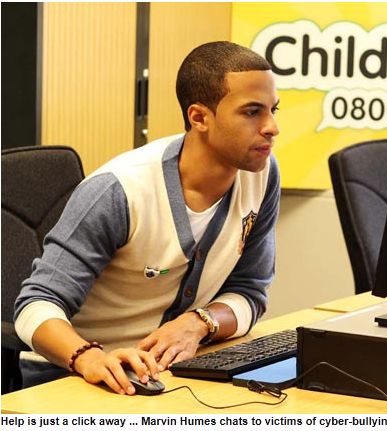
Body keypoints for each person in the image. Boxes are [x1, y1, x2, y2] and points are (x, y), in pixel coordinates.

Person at [14, 41, 281, 395]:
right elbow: (34, 305)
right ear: (199, 117)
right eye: (252, 112)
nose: (272, 127)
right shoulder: (119, 191)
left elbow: (250, 291)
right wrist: (87, 358)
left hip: (167, 375)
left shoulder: (262, 174)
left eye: (273, 110)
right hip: (75, 379)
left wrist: (200, 322)